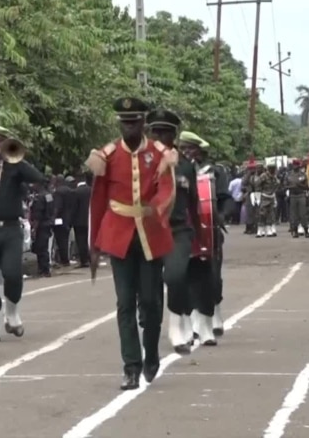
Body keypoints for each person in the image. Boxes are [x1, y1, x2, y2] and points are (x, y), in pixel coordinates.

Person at [85, 97, 176, 390]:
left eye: (134, 121)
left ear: (143, 122)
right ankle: (131, 366)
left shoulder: (161, 153)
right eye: (124, 122)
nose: (129, 127)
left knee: (150, 302)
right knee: (125, 303)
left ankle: (151, 353)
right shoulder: (106, 155)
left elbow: (167, 189)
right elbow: (98, 200)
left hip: (150, 232)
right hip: (118, 233)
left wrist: (157, 207)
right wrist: (94, 243)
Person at [0, 124, 47, 343]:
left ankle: (11, 311)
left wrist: (15, 158)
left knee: (13, 274)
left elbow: (38, 177)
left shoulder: (15, 166)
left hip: (12, 229)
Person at [146, 109, 201, 353]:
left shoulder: (186, 166)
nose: (160, 136)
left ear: (174, 135)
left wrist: (200, 235)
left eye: (165, 132)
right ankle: (154, 319)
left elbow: (193, 203)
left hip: (178, 230)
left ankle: (176, 322)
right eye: (156, 132)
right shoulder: (141, 163)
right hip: (149, 230)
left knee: (175, 277)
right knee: (147, 287)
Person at [184, 134, 234, 337]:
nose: (186, 153)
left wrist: (220, 216)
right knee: (187, 278)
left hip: (210, 232)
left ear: (200, 151)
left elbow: (226, 200)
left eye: (190, 149)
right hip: (185, 232)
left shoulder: (214, 173)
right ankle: (196, 319)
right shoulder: (176, 171)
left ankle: (215, 312)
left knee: (213, 277)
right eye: (183, 149)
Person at [285, 159, 309, 238]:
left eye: (296, 165)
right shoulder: (288, 175)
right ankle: (295, 231)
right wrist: (292, 187)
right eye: (294, 165)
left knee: (303, 214)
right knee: (293, 215)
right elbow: (285, 186)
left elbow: (307, 187)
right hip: (293, 196)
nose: (295, 166)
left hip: (301, 195)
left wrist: (299, 185)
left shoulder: (303, 175)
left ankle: (306, 230)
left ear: (299, 166)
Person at [256, 163, 279, 237]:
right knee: (262, 214)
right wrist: (258, 196)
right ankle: (260, 230)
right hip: (264, 196)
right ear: (269, 169)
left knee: (270, 214)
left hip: (271, 197)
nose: (273, 170)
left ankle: (269, 229)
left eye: (274, 169)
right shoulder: (264, 176)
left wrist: (274, 196)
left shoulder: (274, 177)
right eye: (272, 169)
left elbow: (276, 186)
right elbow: (257, 185)